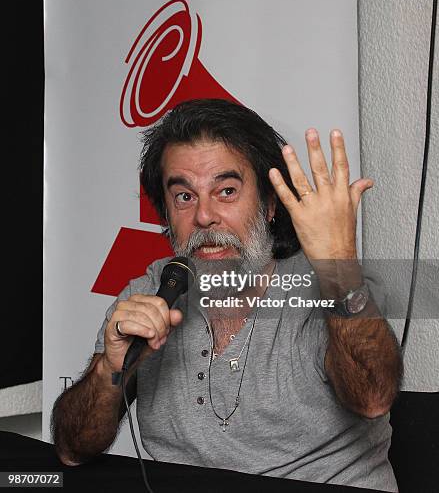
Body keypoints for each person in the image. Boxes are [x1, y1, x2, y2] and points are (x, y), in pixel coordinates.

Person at [52, 98, 402, 491]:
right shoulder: (150, 292)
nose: (204, 216)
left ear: (270, 204)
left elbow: (372, 398)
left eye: (227, 191)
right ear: (166, 216)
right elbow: (71, 450)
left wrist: (339, 268)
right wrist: (109, 369)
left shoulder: (328, 285)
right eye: (184, 197)